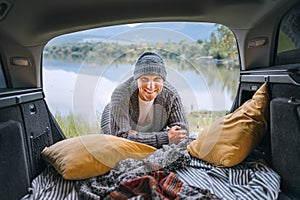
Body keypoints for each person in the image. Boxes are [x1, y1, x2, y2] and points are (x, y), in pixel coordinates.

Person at [100, 51, 189, 148]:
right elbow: (121, 138)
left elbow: (183, 133)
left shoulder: (171, 95)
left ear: (163, 80)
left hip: (149, 130)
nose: (151, 86)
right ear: (136, 79)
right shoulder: (120, 94)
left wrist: (136, 136)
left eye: (157, 79)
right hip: (111, 119)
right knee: (114, 149)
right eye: (144, 79)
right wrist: (165, 137)